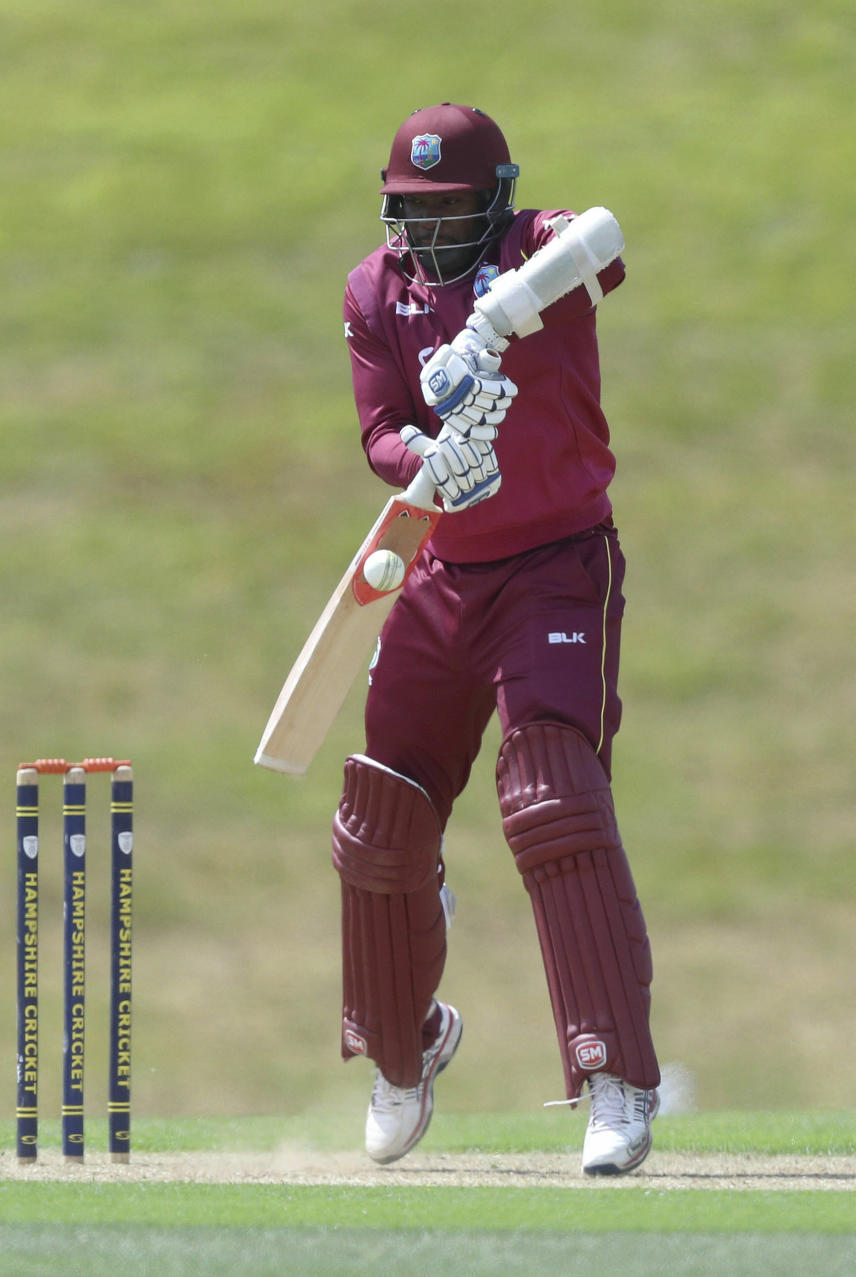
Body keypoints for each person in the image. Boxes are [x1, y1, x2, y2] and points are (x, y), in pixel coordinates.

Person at [333, 102, 660, 1176]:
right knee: (381, 810)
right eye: (412, 212)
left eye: (452, 209)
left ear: (497, 201)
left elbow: (603, 235)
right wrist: (424, 457)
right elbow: (379, 430)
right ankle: (401, 1052)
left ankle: (613, 1080)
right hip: (439, 564)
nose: (429, 233)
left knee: (552, 795)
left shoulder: (533, 250)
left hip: (556, 560)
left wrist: (495, 320)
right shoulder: (374, 291)